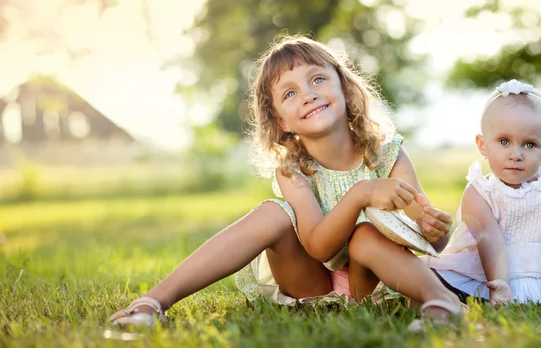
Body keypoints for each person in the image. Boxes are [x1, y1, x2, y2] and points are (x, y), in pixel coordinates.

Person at [110, 35, 463, 329]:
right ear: (281, 121)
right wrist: (361, 194)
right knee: (272, 213)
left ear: (343, 86)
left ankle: (440, 303)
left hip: (375, 282)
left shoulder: (386, 154)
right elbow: (318, 247)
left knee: (365, 236)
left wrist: (435, 229)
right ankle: (152, 303)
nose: (307, 94)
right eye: (290, 93)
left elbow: (426, 228)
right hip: (314, 287)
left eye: (318, 79)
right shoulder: (294, 169)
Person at [425, 79, 541, 305]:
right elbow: (489, 238)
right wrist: (500, 282)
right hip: (485, 272)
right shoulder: (479, 192)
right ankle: (480, 294)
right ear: (482, 145)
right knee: (427, 273)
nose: (515, 154)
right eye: (504, 141)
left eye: (529, 145)